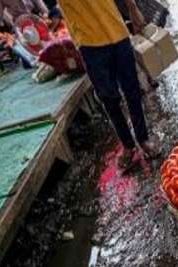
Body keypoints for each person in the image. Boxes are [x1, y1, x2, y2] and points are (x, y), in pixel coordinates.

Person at [57, 0, 159, 169]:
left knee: (132, 90)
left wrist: (132, 8)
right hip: (88, 42)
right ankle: (127, 144)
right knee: (109, 98)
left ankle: (143, 138)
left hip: (117, 32)